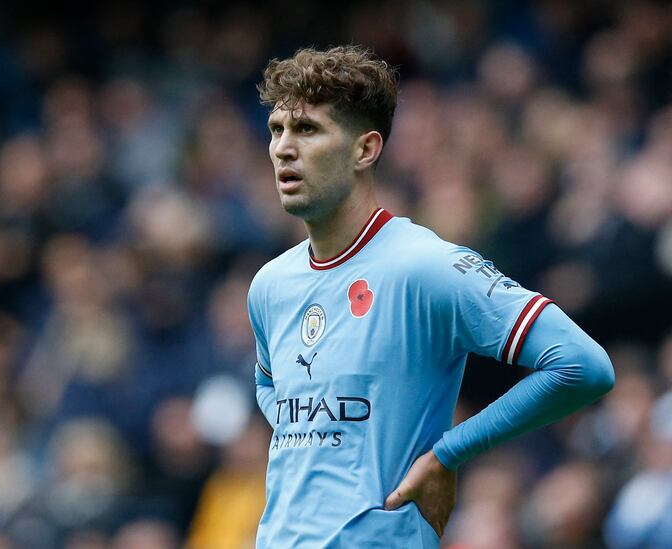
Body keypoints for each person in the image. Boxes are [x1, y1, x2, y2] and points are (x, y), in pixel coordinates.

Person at [247, 45, 615, 548]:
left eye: (307, 130)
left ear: (365, 149)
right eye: (276, 130)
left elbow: (580, 364)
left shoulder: (425, 266)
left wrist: (448, 454)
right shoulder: (270, 284)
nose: (283, 148)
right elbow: (270, 387)